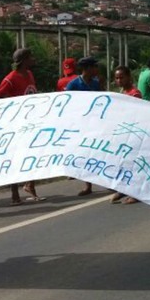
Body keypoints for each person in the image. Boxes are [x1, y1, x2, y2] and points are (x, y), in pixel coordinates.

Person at [0, 48, 43, 204]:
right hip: (17, 125)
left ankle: (30, 185)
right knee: (15, 158)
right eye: (30, 57)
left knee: (32, 155)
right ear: (24, 60)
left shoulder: (29, 75)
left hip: (31, 123)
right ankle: (15, 193)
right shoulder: (10, 78)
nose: (33, 59)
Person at [66, 57, 102, 196]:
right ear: (87, 68)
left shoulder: (95, 83)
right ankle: (88, 185)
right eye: (94, 67)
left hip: (95, 123)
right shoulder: (73, 84)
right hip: (81, 124)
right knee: (85, 153)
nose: (96, 70)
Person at [111, 66, 142, 204]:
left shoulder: (135, 94)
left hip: (133, 133)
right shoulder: (121, 93)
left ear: (129, 77)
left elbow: (136, 114)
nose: (119, 80)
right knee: (122, 162)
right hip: (122, 133)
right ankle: (124, 189)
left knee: (132, 163)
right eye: (117, 78)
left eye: (121, 77)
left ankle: (135, 193)